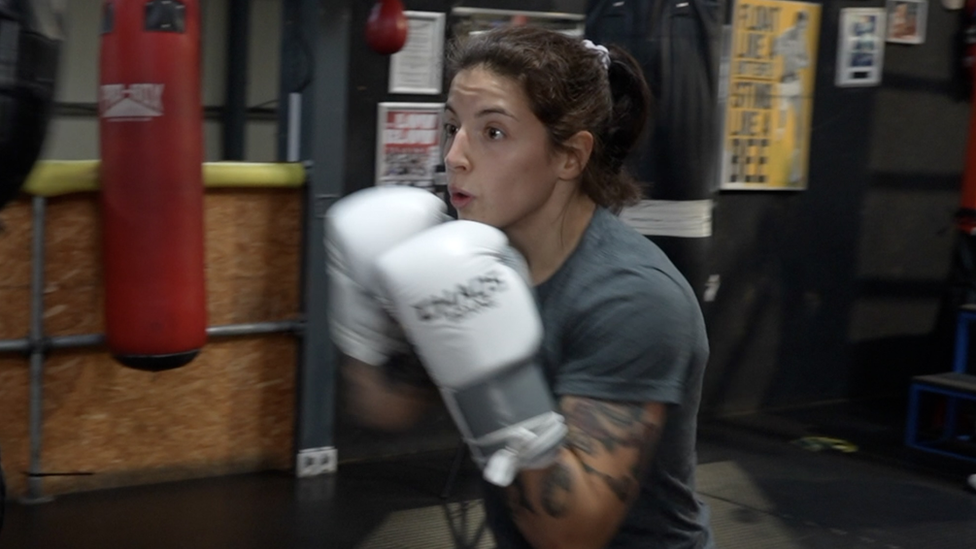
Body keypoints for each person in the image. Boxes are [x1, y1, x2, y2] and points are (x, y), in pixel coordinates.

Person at [329, 25, 713, 549]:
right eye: (451, 128)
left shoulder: (633, 299)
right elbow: (387, 409)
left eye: (492, 133)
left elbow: (569, 531)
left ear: (570, 157)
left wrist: (493, 384)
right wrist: (365, 329)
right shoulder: (470, 258)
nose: (454, 156)